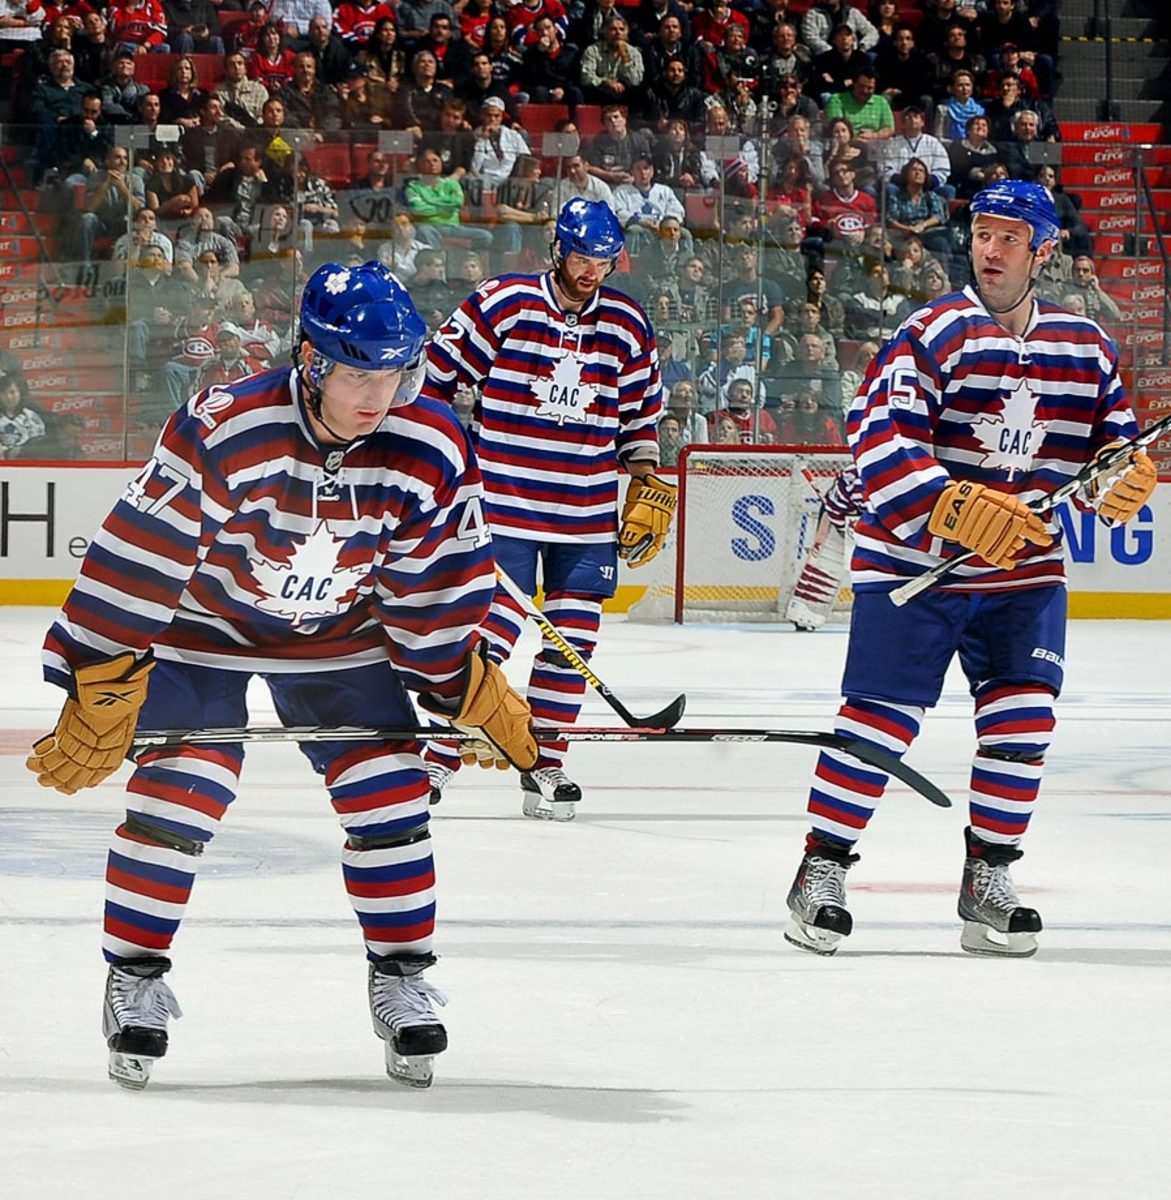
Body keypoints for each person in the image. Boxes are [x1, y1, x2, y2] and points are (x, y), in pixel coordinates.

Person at [26, 261, 539, 1091]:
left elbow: (434, 580)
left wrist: (464, 684)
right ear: (311, 359)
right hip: (205, 630)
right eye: (359, 371)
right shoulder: (227, 425)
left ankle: (400, 975)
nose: (379, 393)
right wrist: (105, 673)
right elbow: (141, 553)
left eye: (396, 370)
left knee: (390, 790)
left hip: (339, 638)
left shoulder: (430, 442)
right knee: (180, 787)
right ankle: (136, 977)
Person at [783, 181, 1158, 960]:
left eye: (1009, 238)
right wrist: (948, 506)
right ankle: (819, 870)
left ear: (1042, 251)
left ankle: (987, 876)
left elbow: (1110, 452)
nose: (989, 249)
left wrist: (1122, 481)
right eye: (983, 234)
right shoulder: (932, 332)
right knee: (878, 721)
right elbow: (879, 440)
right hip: (913, 566)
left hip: (1023, 572)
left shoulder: (1084, 346)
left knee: (1023, 720)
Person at [421, 199, 670, 821]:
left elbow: (641, 416)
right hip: (502, 506)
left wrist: (643, 481)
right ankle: (439, 754)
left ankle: (544, 761)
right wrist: (443, 456)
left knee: (573, 644)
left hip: (585, 516)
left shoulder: (628, 323)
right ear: (558, 249)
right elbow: (434, 379)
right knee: (487, 636)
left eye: (605, 261)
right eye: (584, 257)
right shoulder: (503, 301)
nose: (593, 271)